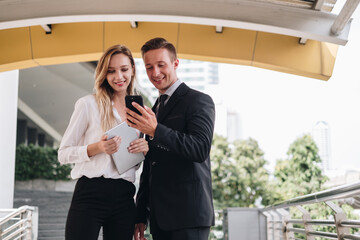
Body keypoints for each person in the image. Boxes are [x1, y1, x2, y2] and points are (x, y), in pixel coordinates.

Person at [126, 37, 216, 240]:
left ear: (175, 64)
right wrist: (141, 213)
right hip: (160, 219)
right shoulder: (155, 108)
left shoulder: (199, 100)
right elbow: (151, 164)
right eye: (149, 67)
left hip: (189, 216)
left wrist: (156, 130)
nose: (155, 73)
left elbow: (200, 149)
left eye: (161, 65)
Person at [58, 44, 148, 240]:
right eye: (111, 71)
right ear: (103, 74)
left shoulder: (141, 112)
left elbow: (134, 163)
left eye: (124, 69)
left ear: (132, 69)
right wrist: (97, 148)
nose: (119, 77)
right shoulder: (87, 105)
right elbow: (63, 153)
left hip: (125, 197)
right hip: (90, 193)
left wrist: (143, 149)